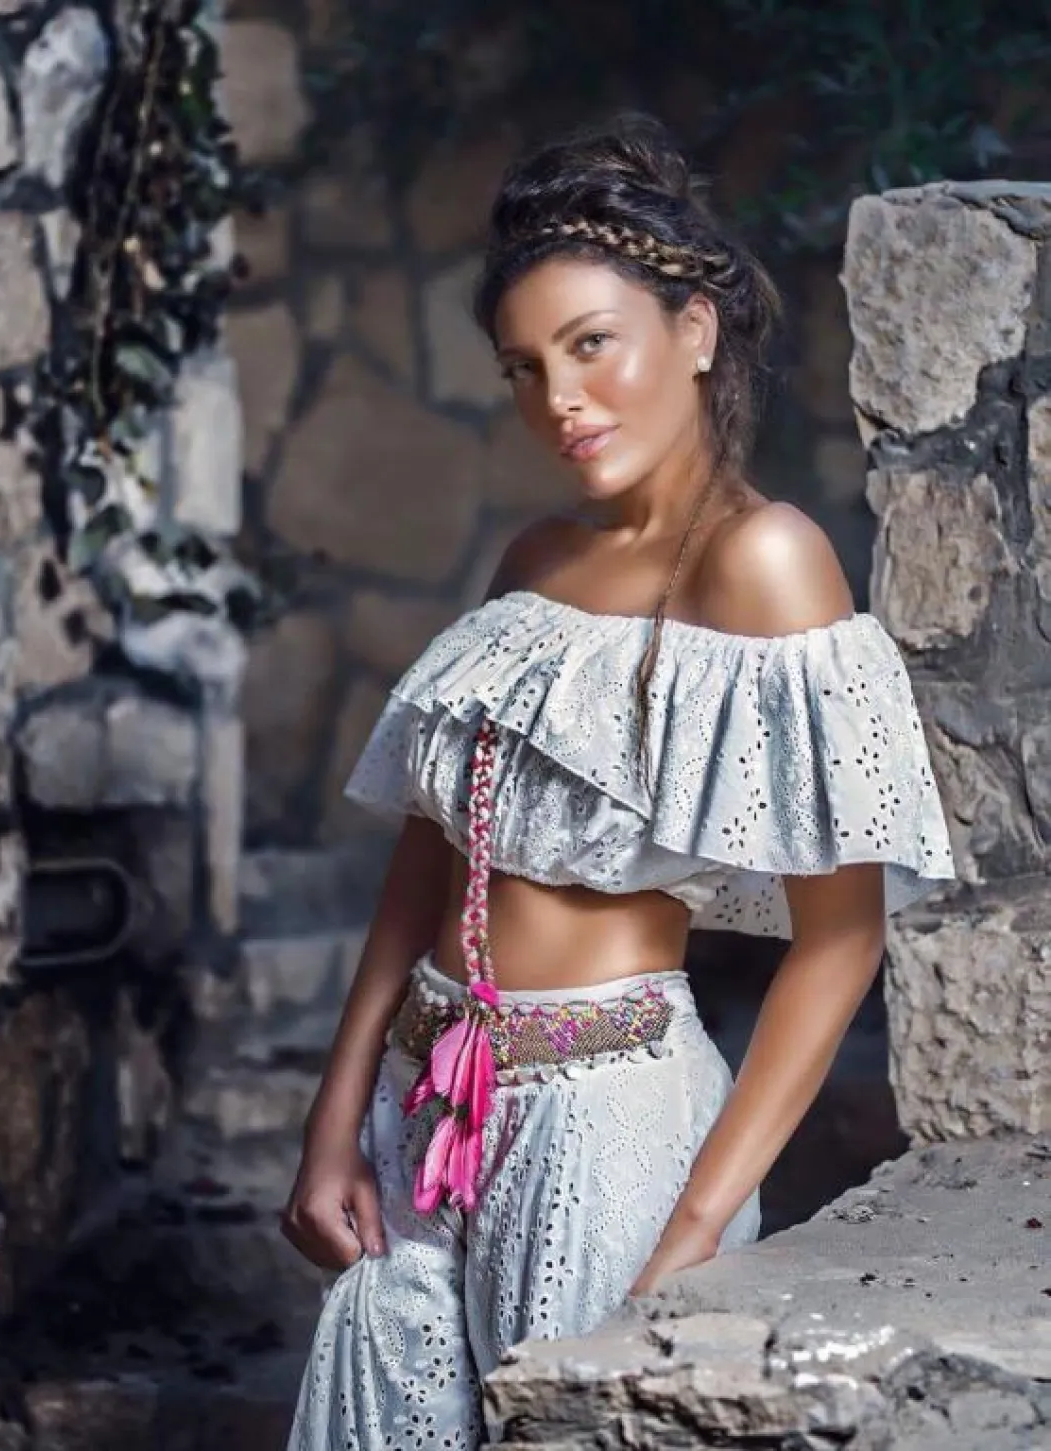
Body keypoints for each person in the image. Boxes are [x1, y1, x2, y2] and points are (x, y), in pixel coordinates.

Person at [281, 113, 955, 1449]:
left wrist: (695, 1225)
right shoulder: (533, 562)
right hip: (427, 1098)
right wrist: (335, 1112)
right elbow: (432, 853)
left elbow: (842, 937)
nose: (560, 400)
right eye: (525, 368)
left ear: (695, 330)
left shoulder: (767, 563)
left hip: (606, 1130)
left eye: (592, 344)